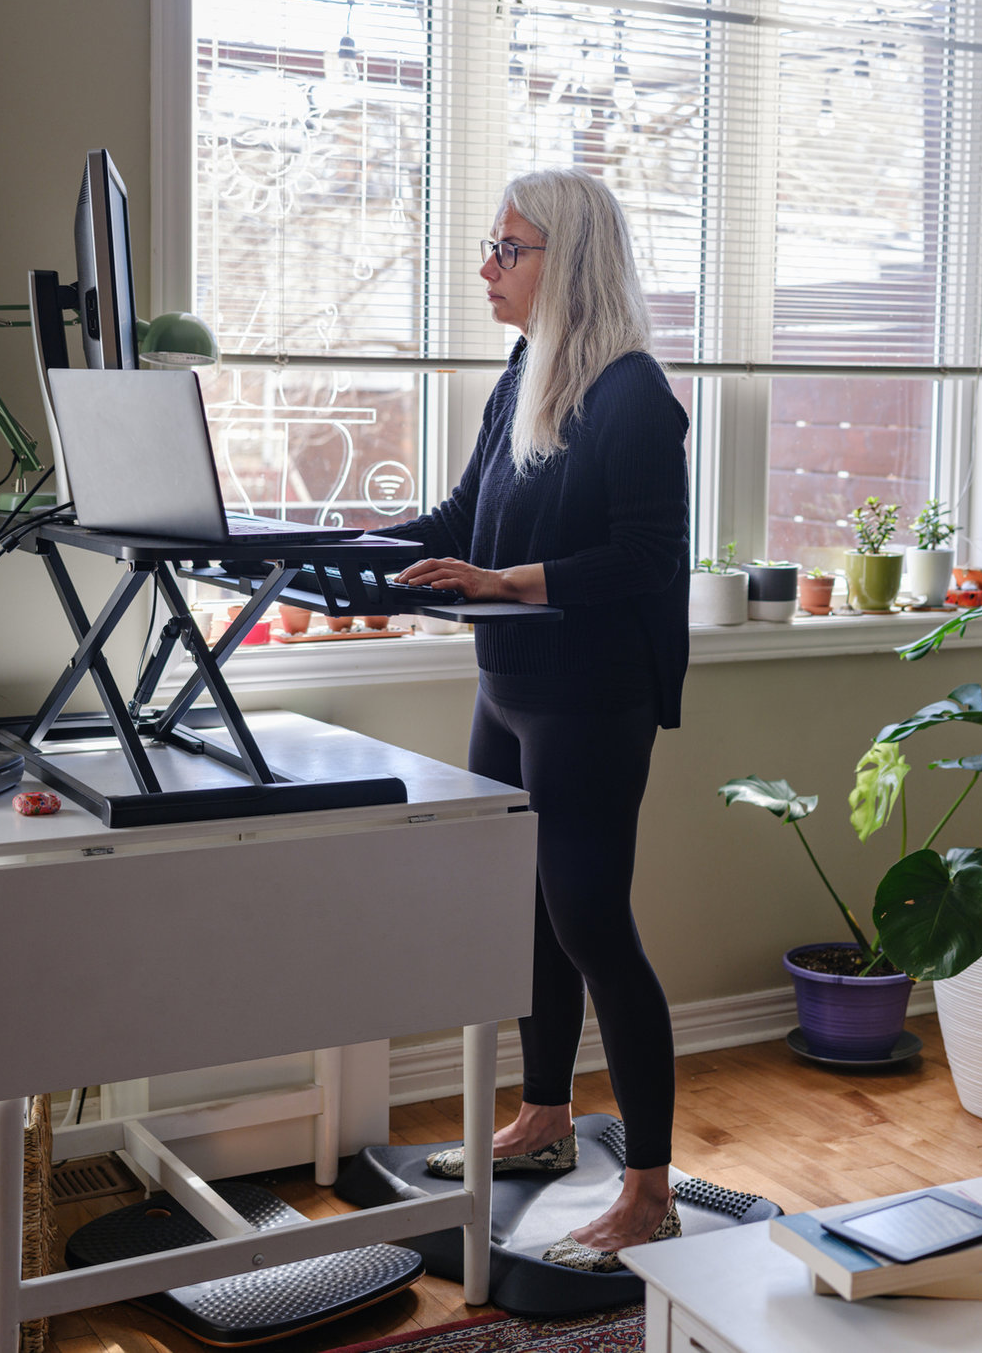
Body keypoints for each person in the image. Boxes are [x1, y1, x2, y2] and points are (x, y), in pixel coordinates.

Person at [390, 168, 691, 1271]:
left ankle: (651, 1190)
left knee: (593, 927)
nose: (487, 267)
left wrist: (507, 581)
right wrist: (327, 546)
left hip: (588, 697)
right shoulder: (526, 376)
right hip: (506, 687)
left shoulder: (633, 396)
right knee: (526, 923)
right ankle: (547, 1118)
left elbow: (649, 559)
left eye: (506, 249)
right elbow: (459, 515)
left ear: (563, 261)